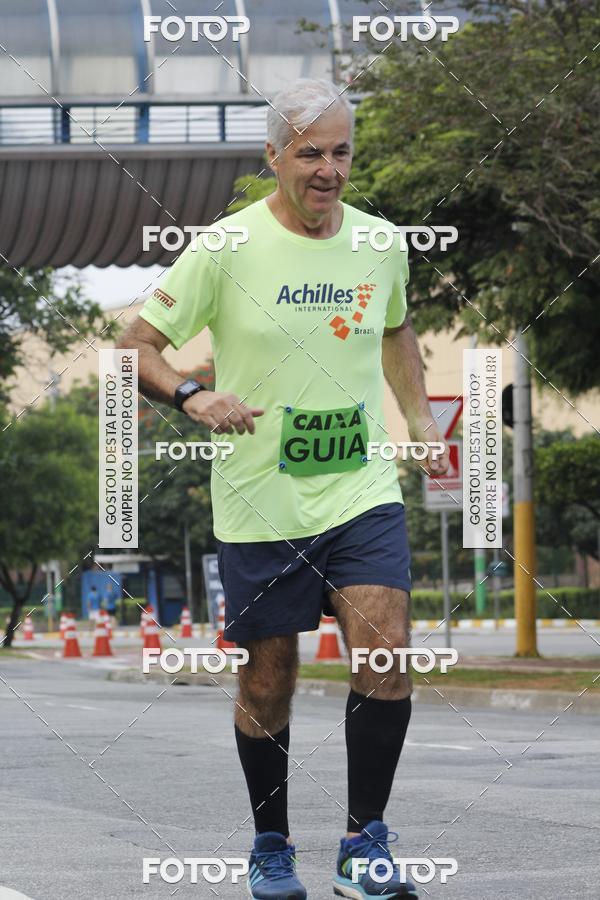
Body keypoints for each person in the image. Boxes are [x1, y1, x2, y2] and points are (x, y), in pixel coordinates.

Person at [119, 78, 449, 899]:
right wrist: (194, 396)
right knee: (269, 678)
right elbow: (134, 347)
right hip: (260, 500)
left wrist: (420, 423)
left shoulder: (380, 243)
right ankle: (272, 843)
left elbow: (397, 329)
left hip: (360, 489)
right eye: (310, 153)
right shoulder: (224, 247)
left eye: (341, 151)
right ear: (273, 157)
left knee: (386, 645)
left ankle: (364, 842)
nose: (328, 170)